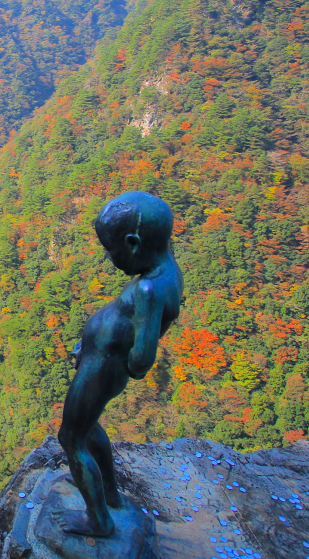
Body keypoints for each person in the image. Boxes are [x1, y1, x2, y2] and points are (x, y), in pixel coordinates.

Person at [55, 191, 183, 537]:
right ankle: (108, 491)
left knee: (70, 437)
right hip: (100, 360)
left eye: (112, 250)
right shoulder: (167, 266)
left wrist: (106, 357)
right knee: (88, 426)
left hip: (104, 368)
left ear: (134, 242)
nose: (110, 259)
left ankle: (98, 521)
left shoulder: (149, 291)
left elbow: (142, 357)